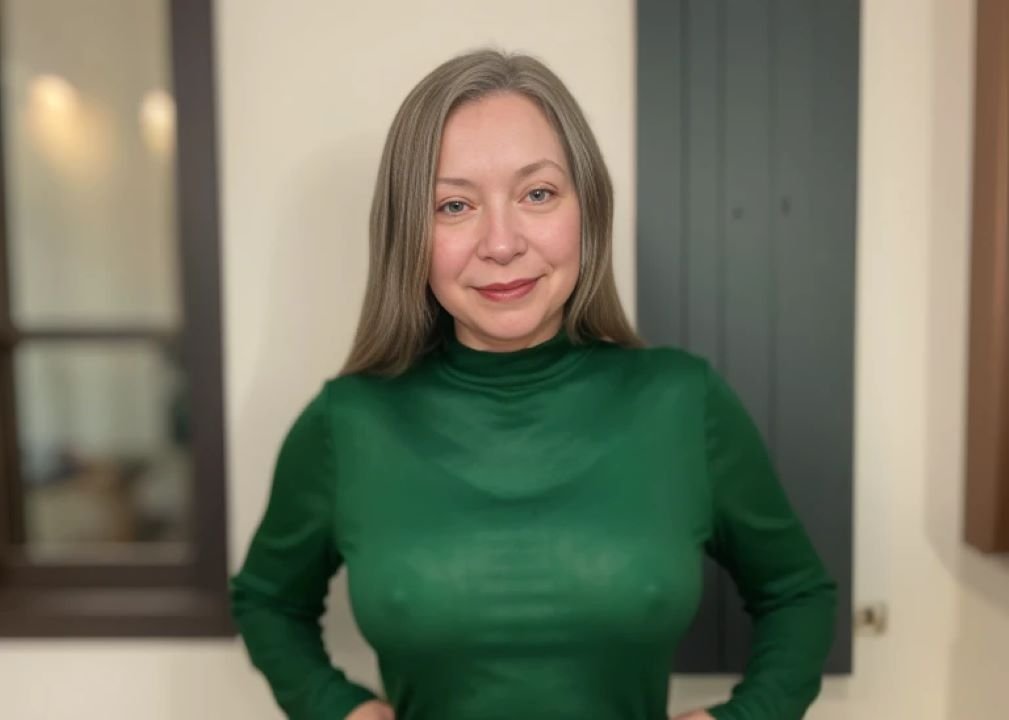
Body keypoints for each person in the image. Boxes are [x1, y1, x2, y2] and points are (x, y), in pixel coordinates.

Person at [229, 47, 838, 720]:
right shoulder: (347, 424)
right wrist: (335, 709)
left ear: (588, 209)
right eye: (454, 205)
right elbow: (267, 600)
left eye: (537, 194)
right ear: (410, 234)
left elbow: (797, 594)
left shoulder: (683, 403)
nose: (501, 243)